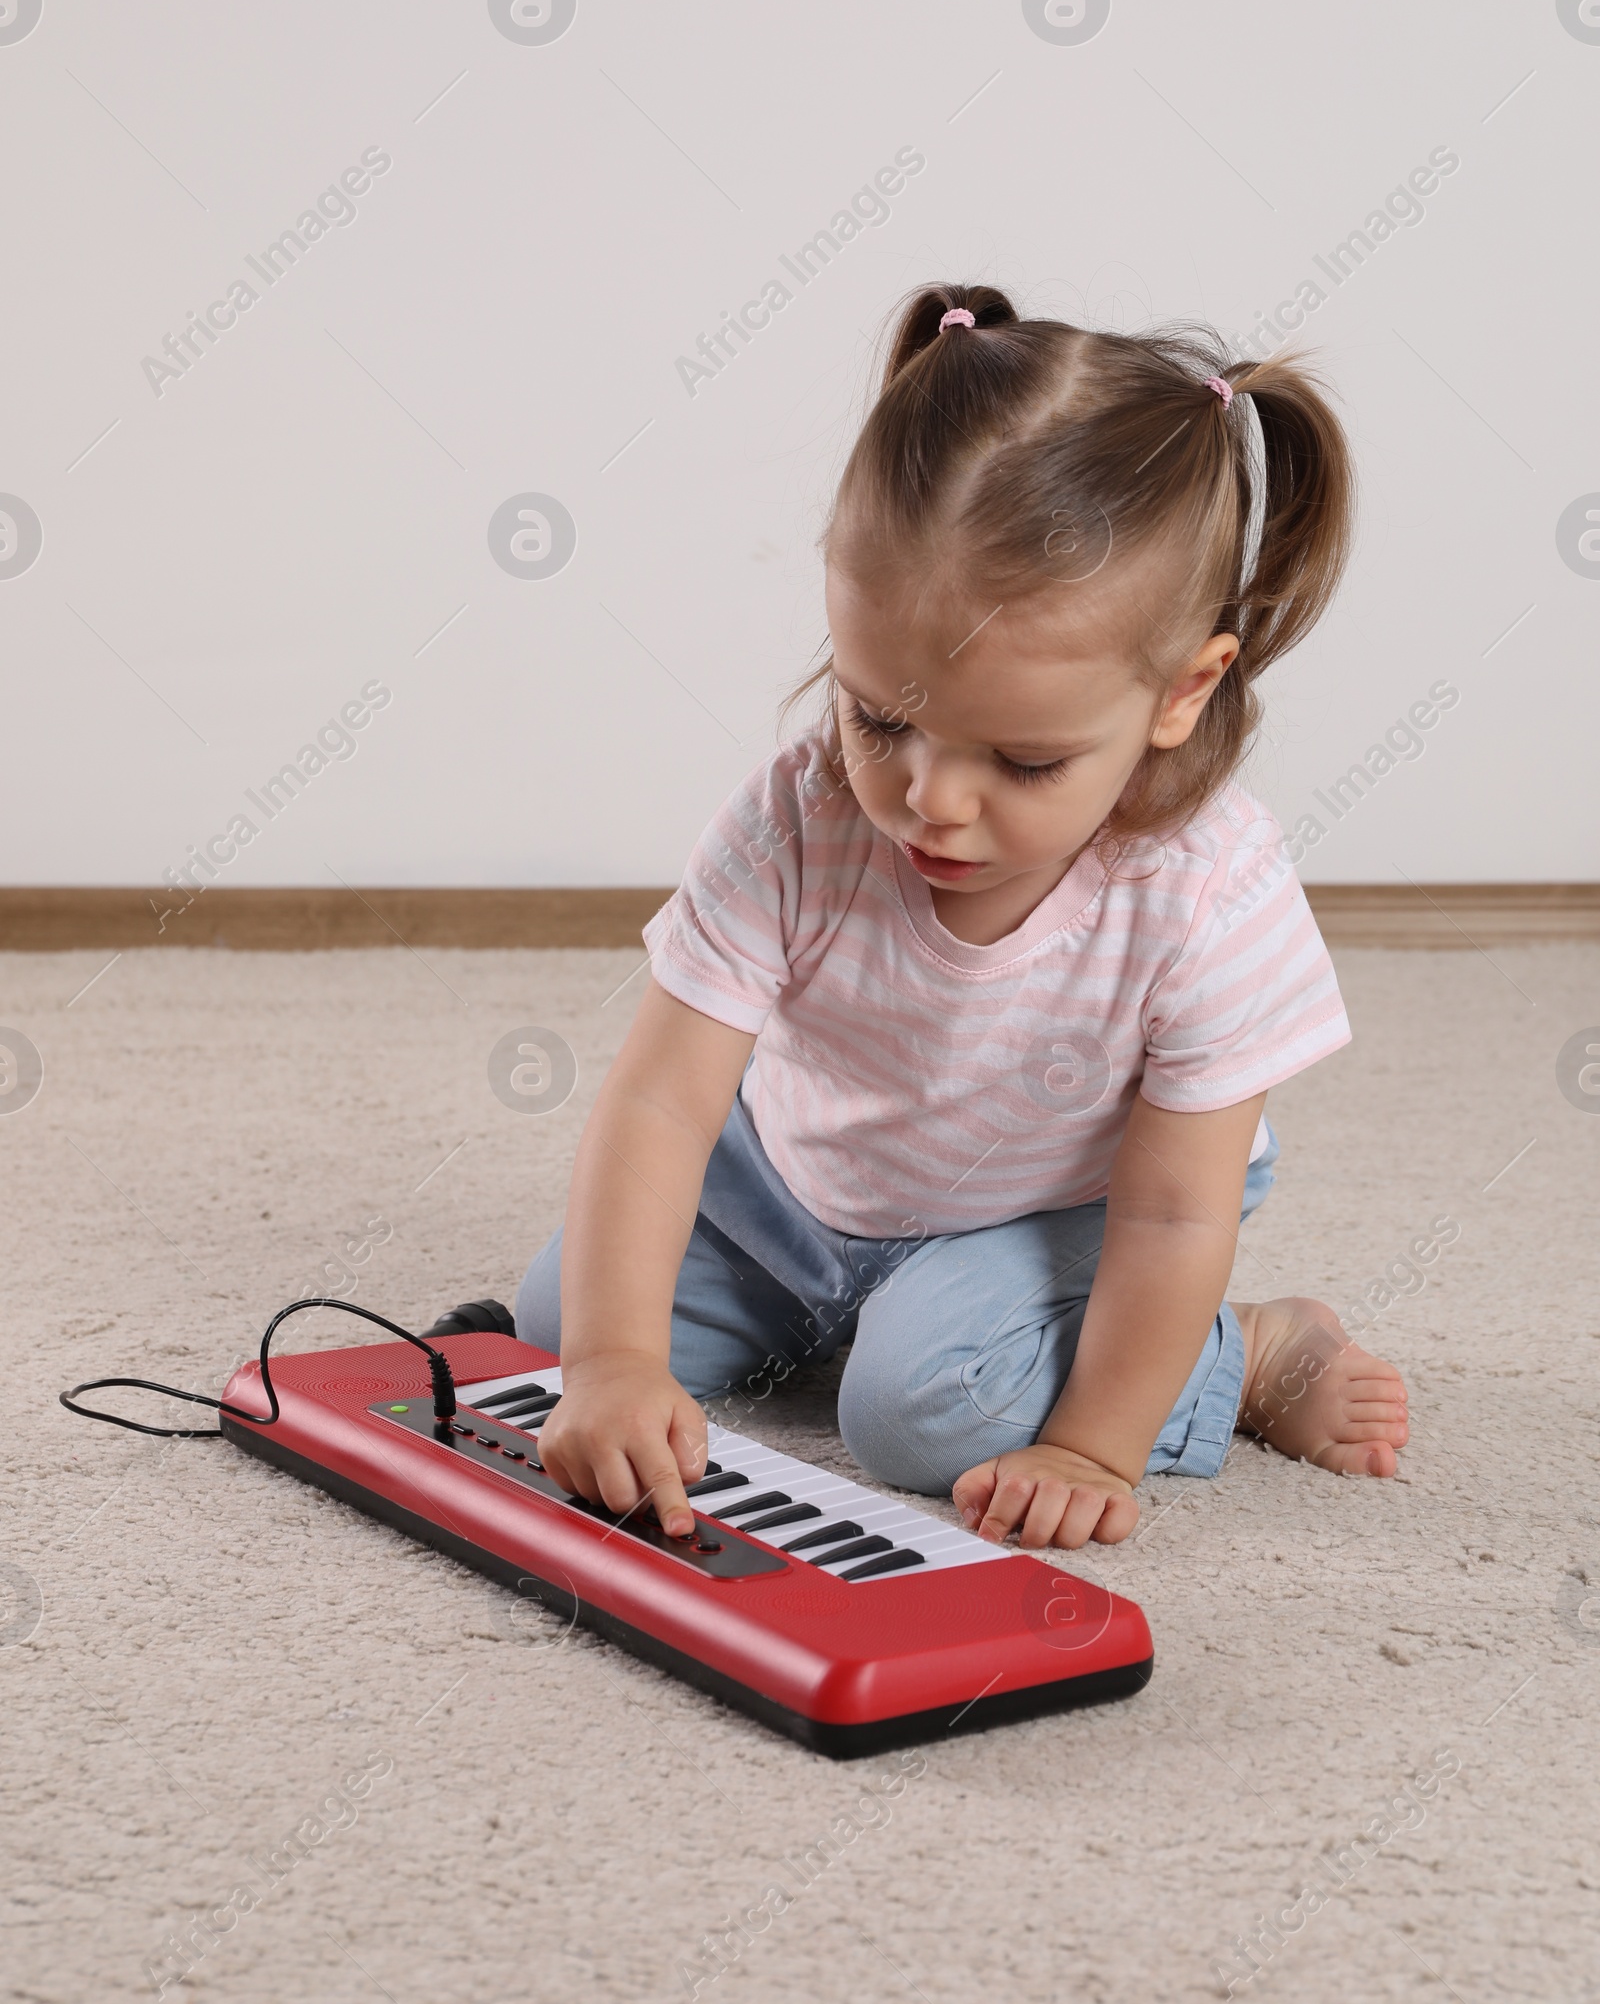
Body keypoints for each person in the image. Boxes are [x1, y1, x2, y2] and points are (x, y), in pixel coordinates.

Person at [517, 284, 1409, 1551]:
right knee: (558, 1326)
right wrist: (612, 1360)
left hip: (1054, 1211)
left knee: (921, 1414)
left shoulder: (1206, 892)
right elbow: (665, 1100)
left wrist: (1092, 1443)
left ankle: (1248, 1353)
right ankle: (832, 1314)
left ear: (1181, 691)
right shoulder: (798, 819)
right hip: (800, 1186)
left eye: (1022, 761)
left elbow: (1168, 1214)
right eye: (879, 717)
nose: (927, 800)